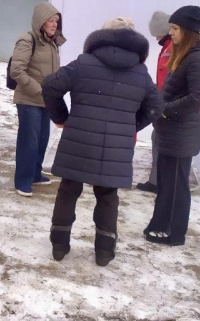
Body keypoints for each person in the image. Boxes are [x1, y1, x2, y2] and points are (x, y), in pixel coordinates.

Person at [43, 17, 164, 266]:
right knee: (108, 195)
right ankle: (104, 251)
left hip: (79, 139)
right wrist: (129, 125)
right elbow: (156, 106)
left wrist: (62, 117)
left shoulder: (83, 63)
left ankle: (59, 244)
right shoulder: (140, 72)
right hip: (115, 148)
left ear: (102, 36)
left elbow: (50, 86)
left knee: (68, 189)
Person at [144, 6, 200, 247]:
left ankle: (175, 234)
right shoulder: (185, 53)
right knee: (167, 182)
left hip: (182, 131)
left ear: (188, 31)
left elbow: (196, 98)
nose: (171, 33)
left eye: (175, 29)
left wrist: (165, 108)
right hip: (172, 129)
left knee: (177, 186)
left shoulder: (198, 58)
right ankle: (159, 224)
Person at [137, 11, 200, 194]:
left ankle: (161, 184)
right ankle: (162, 183)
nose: (159, 36)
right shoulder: (173, 48)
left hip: (182, 108)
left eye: (174, 28)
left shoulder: (174, 50)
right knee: (166, 144)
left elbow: (170, 82)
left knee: (168, 145)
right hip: (181, 107)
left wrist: (160, 104)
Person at [9, 2, 66, 197]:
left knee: (42, 140)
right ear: (40, 21)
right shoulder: (27, 40)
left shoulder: (52, 43)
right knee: (29, 141)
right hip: (28, 99)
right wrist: (38, 90)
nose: (54, 24)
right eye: (50, 20)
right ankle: (23, 181)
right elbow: (16, 70)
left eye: (56, 21)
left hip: (45, 100)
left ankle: (34, 174)